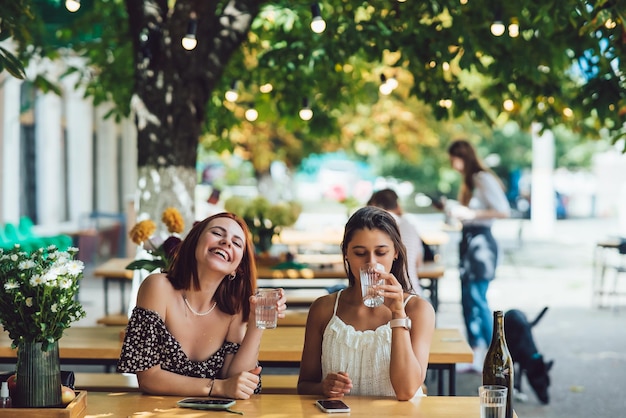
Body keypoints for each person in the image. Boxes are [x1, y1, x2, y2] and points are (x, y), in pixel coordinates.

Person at [117, 212, 287, 398]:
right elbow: (148, 378)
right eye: (217, 233)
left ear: (238, 267)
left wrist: (256, 322)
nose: (227, 242)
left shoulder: (234, 306)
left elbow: (237, 380)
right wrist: (218, 387)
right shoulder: (157, 287)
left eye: (237, 243)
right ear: (194, 242)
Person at [297, 206, 435, 400]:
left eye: (381, 252)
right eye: (360, 253)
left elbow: (406, 391)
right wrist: (324, 387)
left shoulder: (417, 309)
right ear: (346, 253)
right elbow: (304, 385)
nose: (371, 263)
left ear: (395, 252)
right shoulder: (324, 309)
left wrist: (397, 315)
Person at [446, 139, 511, 371]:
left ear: (461, 157)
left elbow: (503, 211)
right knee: (468, 299)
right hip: (470, 241)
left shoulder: (482, 178)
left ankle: (497, 353)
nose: (452, 164)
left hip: (481, 243)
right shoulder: (472, 181)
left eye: (454, 159)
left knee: (477, 299)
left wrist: (469, 213)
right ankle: (476, 352)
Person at [367, 188, 424, 296]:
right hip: (414, 291)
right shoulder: (409, 225)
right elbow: (418, 263)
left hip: (387, 294)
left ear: (374, 205)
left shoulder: (379, 225)